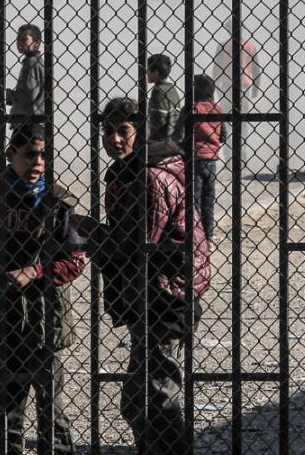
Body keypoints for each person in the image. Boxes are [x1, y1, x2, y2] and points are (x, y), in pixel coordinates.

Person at [89, 97, 211, 454]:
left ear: (140, 132)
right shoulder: (134, 171)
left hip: (165, 294)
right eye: (108, 131)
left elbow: (136, 243)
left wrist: (89, 233)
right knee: (139, 398)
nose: (114, 139)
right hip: (155, 290)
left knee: (157, 396)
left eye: (123, 131)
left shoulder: (149, 176)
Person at [0, 124, 86, 455]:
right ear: (10, 154)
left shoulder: (59, 204)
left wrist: (35, 271)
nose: (38, 163)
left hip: (44, 319)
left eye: (45, 155)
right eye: (30, 154)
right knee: (4, 415)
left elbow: (74, 261)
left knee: (52, 413)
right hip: (2, 317)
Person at [175, 74, 227, 241]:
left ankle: (196, 238)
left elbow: (178, 133)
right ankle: (208, 236)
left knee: (194, 200)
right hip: (211, 160)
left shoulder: (191, 108)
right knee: (208, 201)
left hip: (194, 159)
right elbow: (223, 135)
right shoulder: (217, 109)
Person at [212, 35, 261, 167]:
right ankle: (241, 154)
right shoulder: (250, 46)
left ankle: (230, 156)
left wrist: (214, 88)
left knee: (227, 121)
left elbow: (216, 69)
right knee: (242, 122)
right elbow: (256, 69)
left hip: (226, 86)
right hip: (244, 87)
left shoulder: (222, 45)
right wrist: (256, 87)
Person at [7, 23, 45, 121]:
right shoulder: (36, 61)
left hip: (28, 121)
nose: (19, 43)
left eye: (24, 39)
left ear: (37, 43)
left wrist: (10, 95)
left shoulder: (31, 62)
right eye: (18, 39)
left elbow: (29, 95)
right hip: (33, 119)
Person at [146, 53, 182, 142]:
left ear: (155, 72)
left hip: (161, 140)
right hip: (173, 139)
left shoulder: (158, 91)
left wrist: (149, 135)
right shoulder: (172, 89)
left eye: (148, 70)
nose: (146, 73)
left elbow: (158, 119)